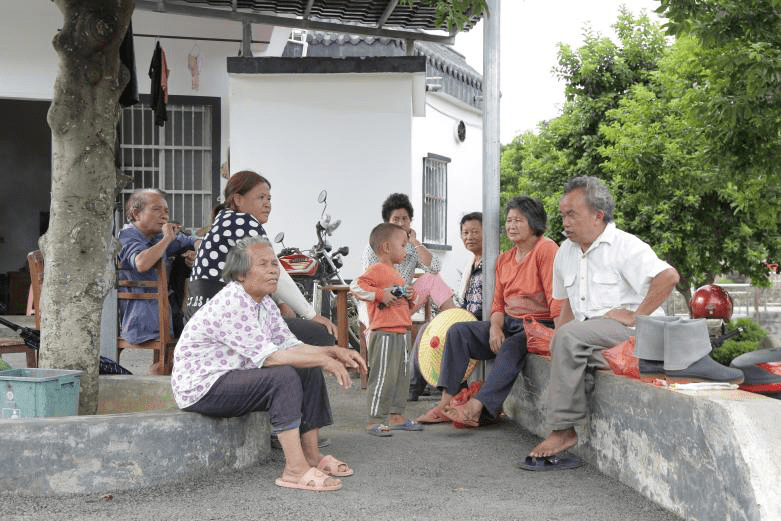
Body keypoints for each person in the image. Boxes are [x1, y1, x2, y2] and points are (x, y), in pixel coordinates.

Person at [528, 176, 740, 463]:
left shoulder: (623, 245)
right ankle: (649, 365)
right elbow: (565, 306)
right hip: (590, 333)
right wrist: (558, 345)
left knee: (569, 338)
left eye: (572, 215)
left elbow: (669, 277)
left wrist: (635, 315)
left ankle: (563, 429)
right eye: (563, 214)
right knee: (565, 339)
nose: (564, 222)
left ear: (597, 216)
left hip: (630, 330)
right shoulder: (565, 251)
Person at [172, 236, 366, 491]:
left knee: (306, 369)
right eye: (264, 264)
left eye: (274, 263)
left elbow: (289, 345)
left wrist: (333, 352)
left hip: (233, 375)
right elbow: (270, 358)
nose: (274, 270)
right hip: (202, 387)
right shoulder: (233, 302)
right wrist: (323, 359)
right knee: (282, 376)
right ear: (241, 274)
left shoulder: (263, 301)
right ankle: (294, 470)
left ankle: (312, 456)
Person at [418, 197, 561, 426]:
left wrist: (560, 336)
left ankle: (476, 408)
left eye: (519, 220)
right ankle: (447, 402)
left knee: (511, 347)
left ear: (534, 223)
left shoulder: (547, 249)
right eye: (509, 220)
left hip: (539, 325)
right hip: (509, 322)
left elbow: (556, 297)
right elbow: (498, 304)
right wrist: (495, 326)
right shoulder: (504, 259)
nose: (511, 226)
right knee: (458, 332)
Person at [185, 170, 337, 346]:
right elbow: (275, 272)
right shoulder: (242, 222)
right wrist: (311, 315)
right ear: (238, 200)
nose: (267, 204)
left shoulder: (225, 221)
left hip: (204, 318)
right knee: (320, 334)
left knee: (290, 332)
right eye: (261, 197)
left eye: (269, 198)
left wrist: (281, 302)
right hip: (223, 322)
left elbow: (267, 272)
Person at [351, 223, 424, 436]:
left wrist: (411, 297)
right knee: (382, 376)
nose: (407, 250)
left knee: (401, 377)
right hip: (383, 332)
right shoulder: (376, 270)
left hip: (401, 331)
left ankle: (396, 415)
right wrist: (381, 294)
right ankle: (375, 420)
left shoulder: (396, 273)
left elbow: (409, 303)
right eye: (403, 245)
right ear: (386, 247)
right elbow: (356, 286)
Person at [118, 189, 200, 374]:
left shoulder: (154, 237)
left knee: (195, 339)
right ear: (135, 213)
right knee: (188, 344)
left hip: (165, 311)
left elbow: (188, 240)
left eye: (166, 211)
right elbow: (141, 263)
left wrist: (198, 250)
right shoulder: (127, 236)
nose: (164, 215)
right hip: (143, 317)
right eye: (157, 209)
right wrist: (167, 239)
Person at [408, 211, 484, 401]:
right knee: (427, 328)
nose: (469, 237)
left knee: (444, 331)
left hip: (482, 321)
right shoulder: (472, 263)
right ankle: (414, 385)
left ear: (488, 233)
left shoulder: (493, 262)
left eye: (475, 232)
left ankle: (439, 387)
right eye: (465, 233)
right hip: (467, 318)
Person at [361, 193, 456, 314]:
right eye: (396, 219)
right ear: (387, 223)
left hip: (405, 302)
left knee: (432, 278)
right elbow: (370, 282)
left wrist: (415, 242)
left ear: (410, 221)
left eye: (404, 219)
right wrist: (399, 291)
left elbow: (435, 267)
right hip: (379, 304)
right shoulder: (374, 246)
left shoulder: (413, 247)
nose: (401, 224)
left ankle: (455, 321)